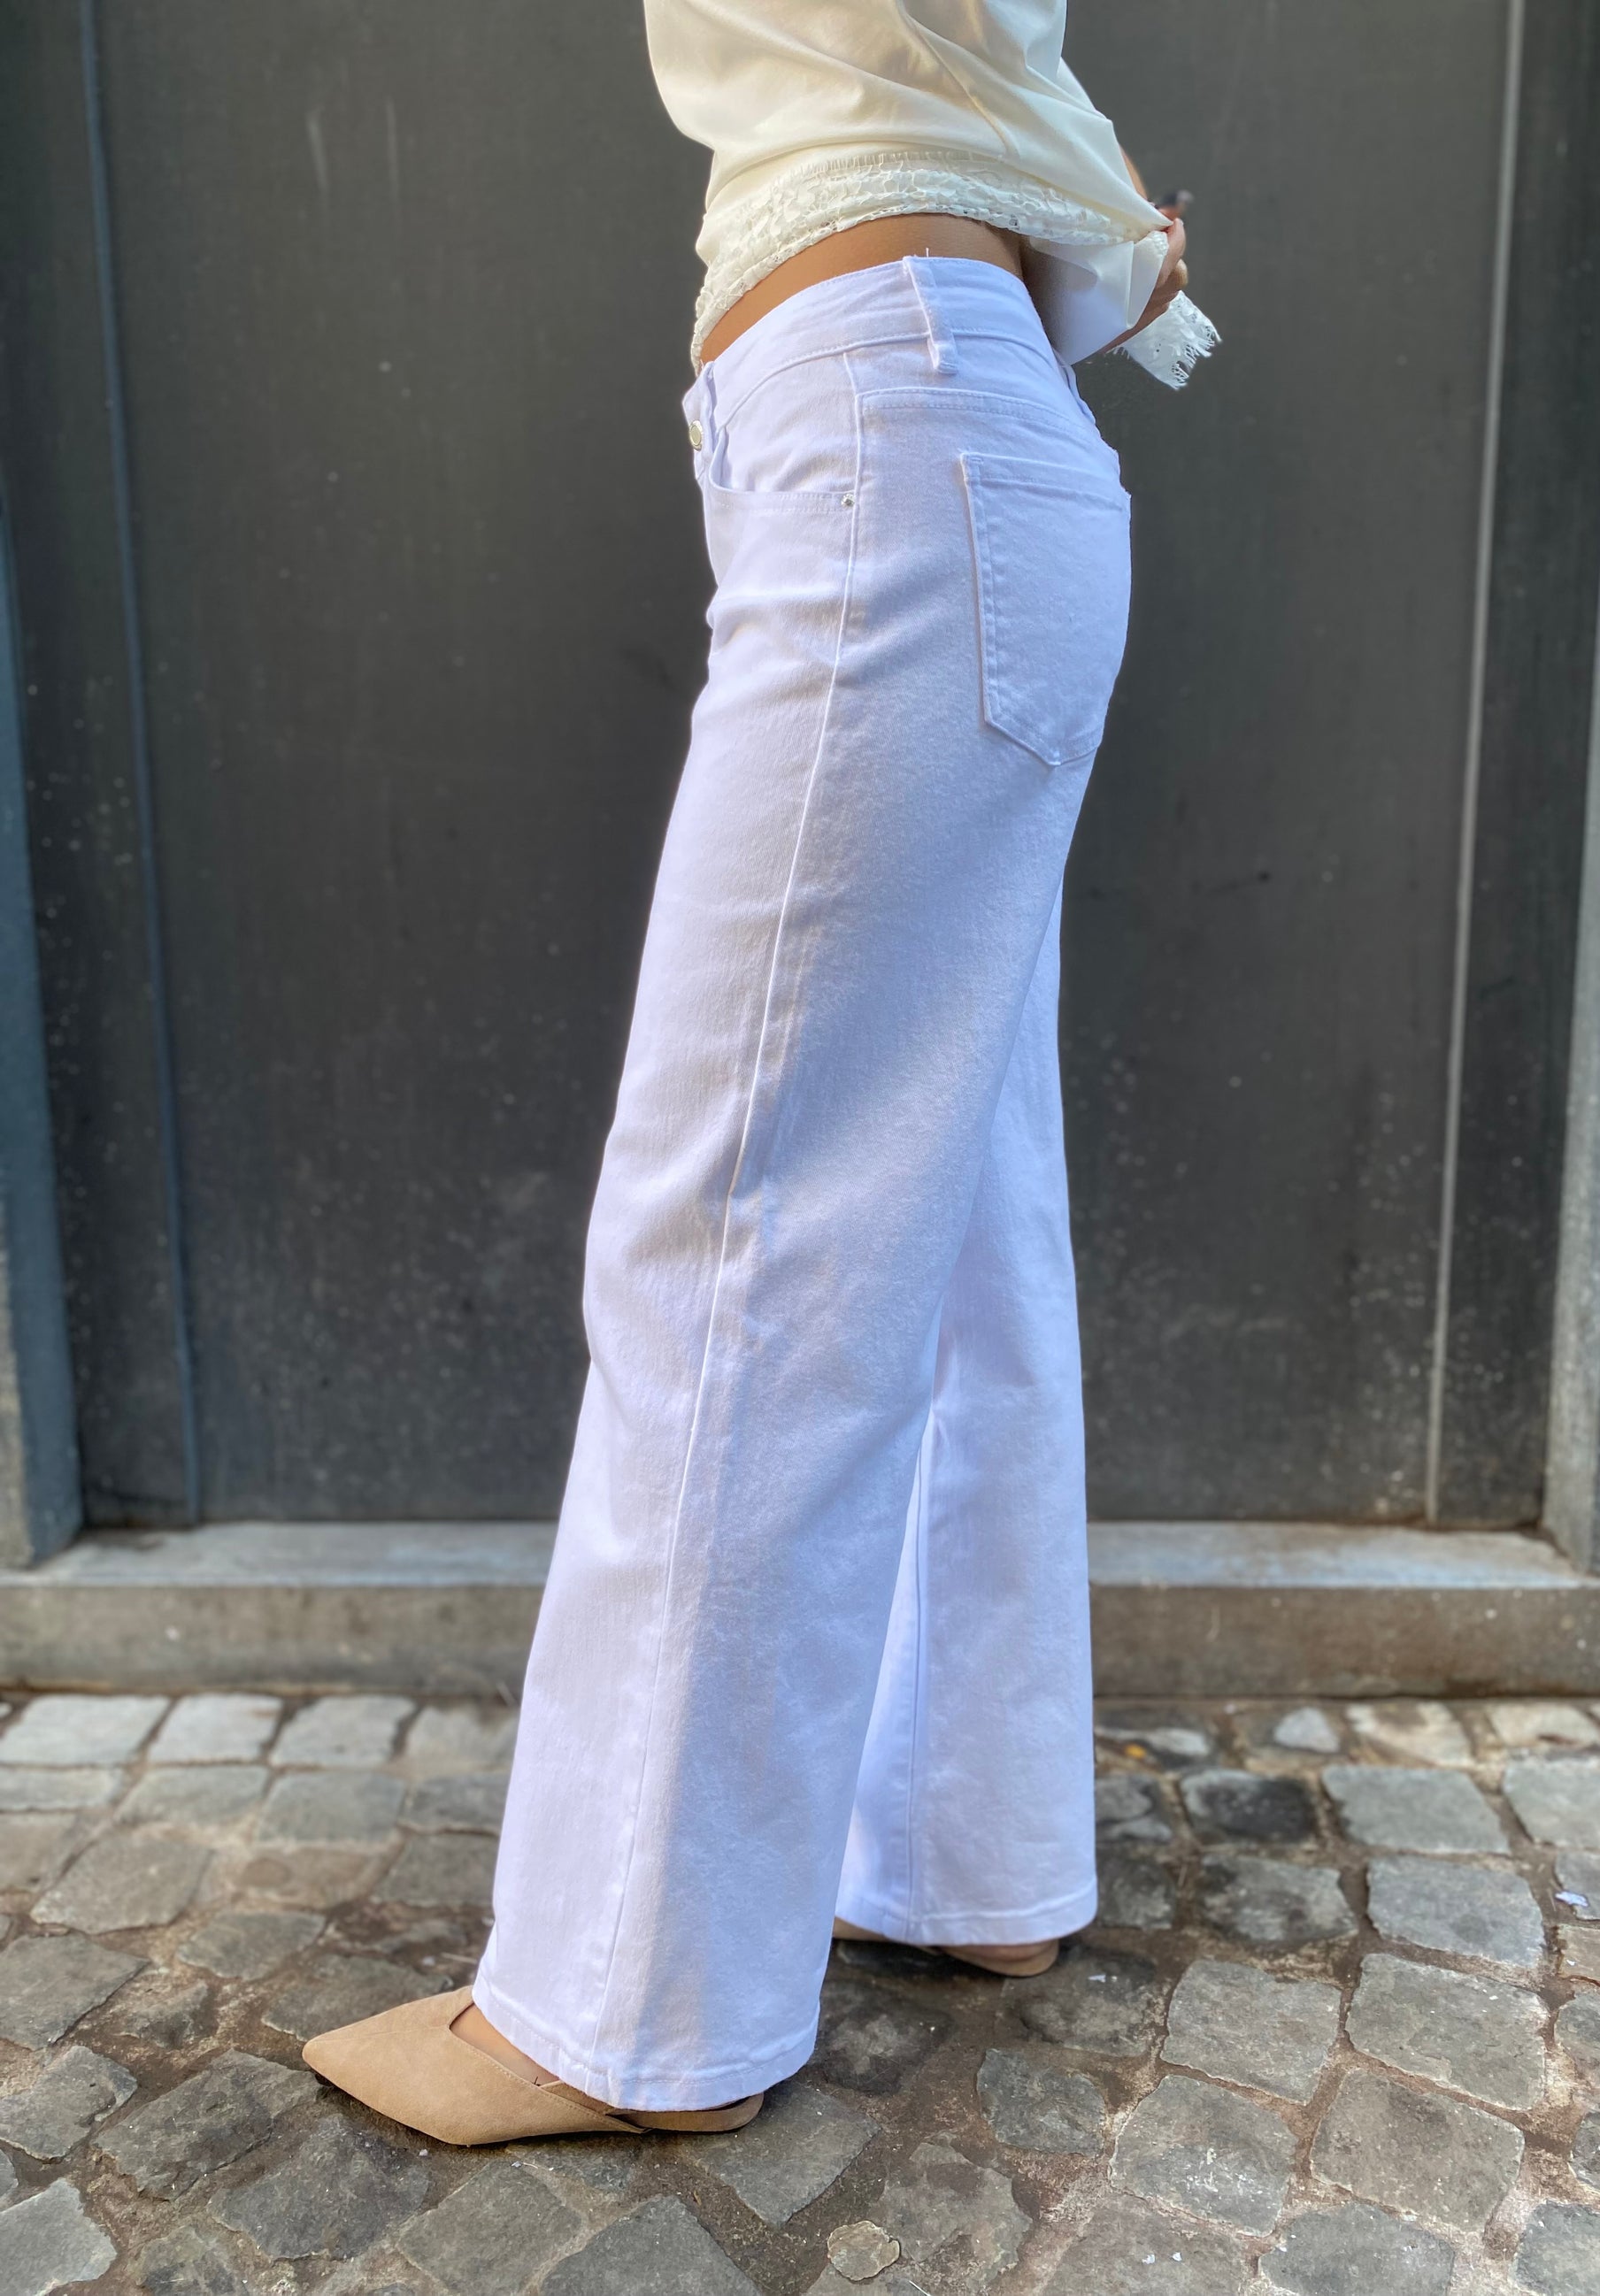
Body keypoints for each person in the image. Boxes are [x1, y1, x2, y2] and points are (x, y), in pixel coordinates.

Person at [304, 0, 1213, 2146]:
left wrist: (1077, 201)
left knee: (737, 1219)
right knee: (954, 1207)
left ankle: (626, 2005)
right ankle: (972, 1852)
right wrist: (1092, 202)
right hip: (939, 428)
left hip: (896, 439)